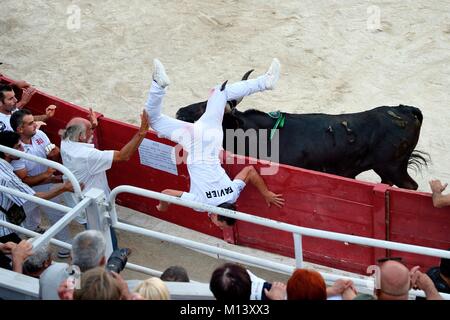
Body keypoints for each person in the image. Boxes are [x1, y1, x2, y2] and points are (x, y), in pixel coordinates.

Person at [146, 59, 284, 228]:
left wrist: (266, 193)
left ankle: (264, 82)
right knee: (153, 120)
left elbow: (249, 171)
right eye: (219, 225)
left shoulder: (232, 195)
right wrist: (162, 207)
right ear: (218, 215)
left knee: (220, 92)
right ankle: (158, 86)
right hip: (195, 140)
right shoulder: (200, 205)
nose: (216, 225)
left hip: (213, 136)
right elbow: (166, 193)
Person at [60, 108, 149, 249]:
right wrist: (142, 132)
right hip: (92, 206)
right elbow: (123, 156)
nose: (92, 132)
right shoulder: (87, 155)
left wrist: (92, 126)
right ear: (81, 136)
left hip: (79, 201)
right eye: (89, 130)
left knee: (95, 233)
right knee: (104, 239)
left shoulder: (66, 140)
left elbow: (75, 133)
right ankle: (111, 260)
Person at [10, 109, 71, 258]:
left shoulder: (40, 135)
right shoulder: (15, 148)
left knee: (57, 215)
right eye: (31, 123)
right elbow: (24, 179)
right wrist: (47, 174)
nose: (35, 125)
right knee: (19, 221)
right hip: (24, 191)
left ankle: (65, 248)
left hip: (45, 184)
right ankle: (22, 241)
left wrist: (55, 155)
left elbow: (51, 158)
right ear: (20, 129)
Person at [0, 131, 76, 241]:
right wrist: (63, 188)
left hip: (8, 216)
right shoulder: (8, 177)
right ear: (7, 153)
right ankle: (64, 250)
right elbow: (34, 197)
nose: (22, 149)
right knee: (20, 254)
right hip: (3, 229)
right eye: (18, 147)